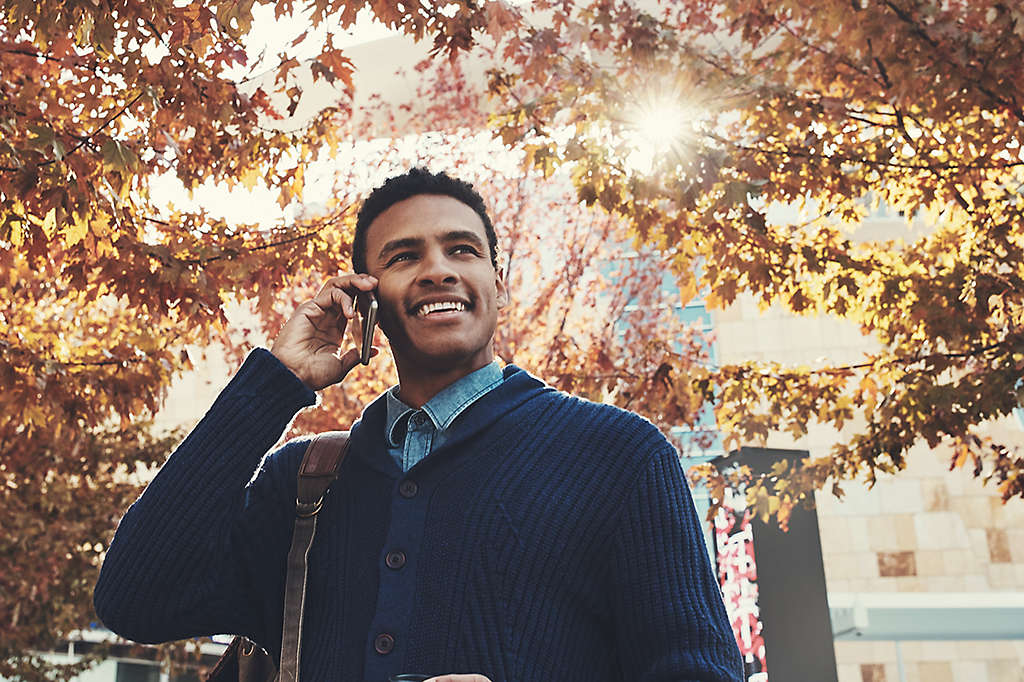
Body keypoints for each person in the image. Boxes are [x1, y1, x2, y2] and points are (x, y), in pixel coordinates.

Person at [94, 168, 743, 682]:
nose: (438, 267)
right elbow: (137, 599)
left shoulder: (620, 456)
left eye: (463, 249)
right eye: (404, 256)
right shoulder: (304, 484)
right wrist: (275, 384)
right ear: (365, 301)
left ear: (496, 280)